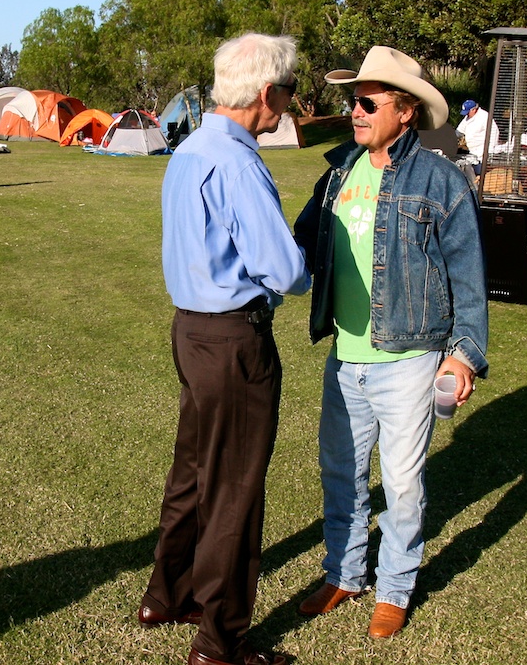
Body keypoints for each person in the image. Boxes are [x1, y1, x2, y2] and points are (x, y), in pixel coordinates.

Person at [293, 46, 489, 639]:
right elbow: (299, 241)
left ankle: (395, 587)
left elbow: (468, 275)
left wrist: (463, 351)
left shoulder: (441, 179)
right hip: (345, 356)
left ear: (404, 112)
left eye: (366, 101)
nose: (354, 111)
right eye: (352, 100)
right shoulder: (338, 171)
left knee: (403, 485)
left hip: (409, 358)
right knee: (342, 474)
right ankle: (344, 573)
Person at [139, 33, 311, 665]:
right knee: (236, 487)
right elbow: (284, 270)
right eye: (288, 94)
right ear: (266, 93)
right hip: (234, 339)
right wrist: (306, 262)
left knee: (192, 472)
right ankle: (220, 642)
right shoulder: (238, 161)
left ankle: (167, 593)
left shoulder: (188, 150)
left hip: (191, 330)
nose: (287, 107)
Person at [455, 99, 500, 173]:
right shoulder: (467, 117)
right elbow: (459, 131)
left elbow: (494, 132)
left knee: (480, 173)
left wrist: (489, 150)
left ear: (473, 109)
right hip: (472, 152)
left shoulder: (484, 117)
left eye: (468, 112)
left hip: (482, 152)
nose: (466, 115)